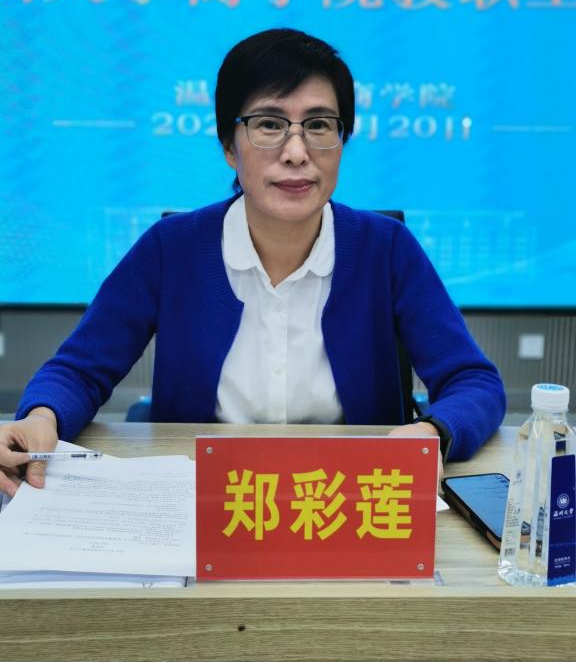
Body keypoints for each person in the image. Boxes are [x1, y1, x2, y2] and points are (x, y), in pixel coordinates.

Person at [0, 28, 505, 497]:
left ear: (342, 141)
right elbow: (79, 370)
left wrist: (433, 432)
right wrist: (43, 416)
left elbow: (474, 382)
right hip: (209, 501)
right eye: (268, 125)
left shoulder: (387, 248)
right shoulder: (170, 249)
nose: (296, 152)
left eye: (319, 126)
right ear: (228, 145)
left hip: (347, 503)